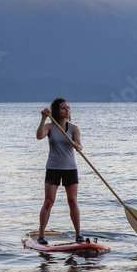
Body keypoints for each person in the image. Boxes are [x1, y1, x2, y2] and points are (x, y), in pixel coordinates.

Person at [35, 97, 83, 244]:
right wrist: (43, 119)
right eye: (63, 108)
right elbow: (39, 136)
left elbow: (80, 146)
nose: (67, 110)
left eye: (68, 107)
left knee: (72, 201)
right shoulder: (50, 127)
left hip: (70, 168)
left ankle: (78, 235)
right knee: (49, 201)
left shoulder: (73, 128)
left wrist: (76, 145)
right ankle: (41, 235)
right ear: (57, 111)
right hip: (53, 168)